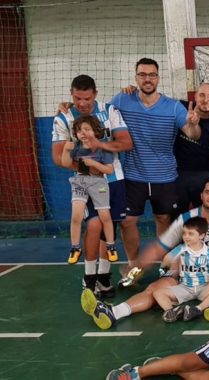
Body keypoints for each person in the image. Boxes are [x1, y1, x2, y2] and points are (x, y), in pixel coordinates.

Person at [82, 178, 209, 329]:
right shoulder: (186, 218)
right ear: (201, 196)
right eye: (207, 192)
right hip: (184, 270)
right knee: (153, 289)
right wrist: (138, 266)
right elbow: (160, 247)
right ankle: (115, 312)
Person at [111, 57, 200, 275]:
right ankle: (133, 266)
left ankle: (164, 265)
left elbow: (193, 134)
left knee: (163, 219)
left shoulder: (173, 107)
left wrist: (193, 124)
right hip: (134, 176)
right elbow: (101, 116)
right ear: (136, 77)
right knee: (128, 221)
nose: (147, 79)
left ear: (158, 78)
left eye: (152, 75)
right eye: (142, 74)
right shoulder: (122, 100)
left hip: (165, 177)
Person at [52, 74, 133, 296]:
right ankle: (89, 278)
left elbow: (126, 143)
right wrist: (88, 167)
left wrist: (100, 146)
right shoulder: (63, 118)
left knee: (110, 228)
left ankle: (104, 278)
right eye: (78, 98)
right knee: (95, 225)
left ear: (95, 94)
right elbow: (58, 158)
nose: (82, 103)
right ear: (72, 94)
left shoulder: (110, 112)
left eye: (87, 98)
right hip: (86, 181)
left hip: (114, 179)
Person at [61, 115, 118, 266]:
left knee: (105, 216)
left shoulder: (103, 148)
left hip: (98, 182)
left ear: (95, 131)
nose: (83, 133)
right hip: (80, 181)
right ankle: (75, 247)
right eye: (79, 130)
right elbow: (66, 163)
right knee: (76, 216)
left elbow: (109, 170)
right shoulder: (76, 146)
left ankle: (111, 246)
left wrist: (93, 163)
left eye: (87, 129)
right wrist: (66, 151)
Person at [152, 217, 209, 323]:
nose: (186, 237)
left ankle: (197, 309)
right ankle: (171, 312)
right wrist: (168, 265)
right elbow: (166, 260)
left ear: (201, 236)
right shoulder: (181, 248)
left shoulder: (208, 252)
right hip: (185, 287)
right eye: (184, 233)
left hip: (203, 286)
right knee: (158, 293)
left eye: (190, 234)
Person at [175, 83, 209, 212]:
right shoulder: (181, 108)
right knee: (175, 218)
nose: (206, 100)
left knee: (204, 216)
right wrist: (133, 91)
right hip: (177, 174)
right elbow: (157, 100)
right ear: (195, 96)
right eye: (202, 95)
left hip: (203, 176)